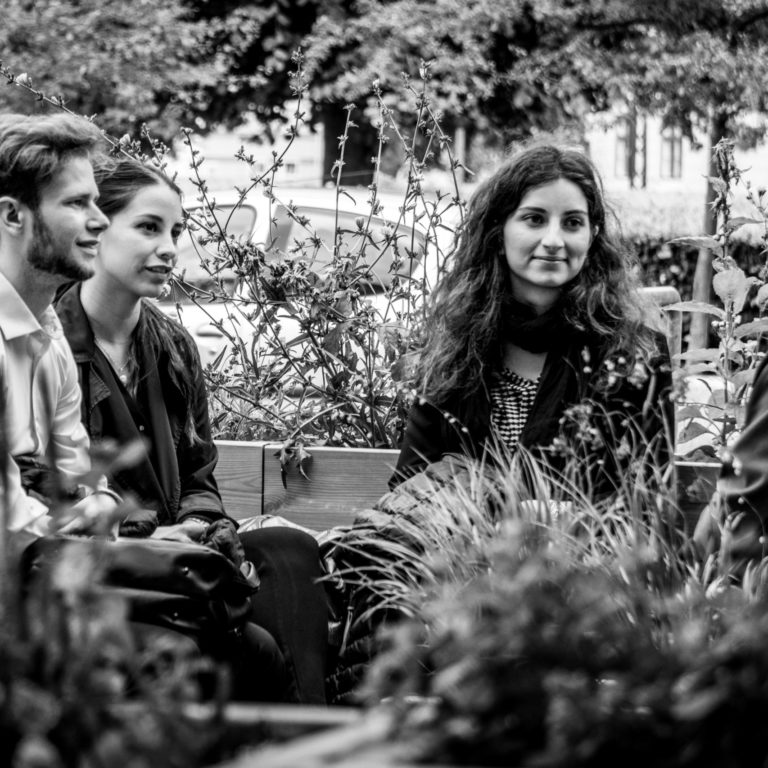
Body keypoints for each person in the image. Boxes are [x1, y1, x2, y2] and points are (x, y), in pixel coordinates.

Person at [54, 157, 329, 704]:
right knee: (250, 646)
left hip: (181, 553)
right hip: (110, 564)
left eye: (176, 231)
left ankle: (319, 734)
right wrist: (149, 537)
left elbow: (199, 473)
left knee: (289, 549)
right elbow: (53, 495)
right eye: (149, 228)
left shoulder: (174, 346)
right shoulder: (55, 345)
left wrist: (205, 525)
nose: (169, 249)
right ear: (96, 228)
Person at [391, 143, 674, 499]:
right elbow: (409, 487)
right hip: (451, 552)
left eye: (572, 223)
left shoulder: (633, 355)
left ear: (592, 236)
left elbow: (645, 501)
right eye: (534, 219)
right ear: (498, 233)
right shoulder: (454, 345)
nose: (554, 240)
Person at [0, 112, 121, 553]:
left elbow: (79, 476)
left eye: (96, 200)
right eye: (76, 203)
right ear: (14, 215)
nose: (101, 219)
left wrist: (100, 502)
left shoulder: (49, 336)